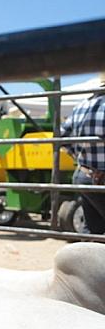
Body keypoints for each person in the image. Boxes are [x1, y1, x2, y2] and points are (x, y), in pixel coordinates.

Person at [60, 74, 105, 234]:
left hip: (83, 174)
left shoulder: (81, 106)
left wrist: (78, 155)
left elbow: (62, 137)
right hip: (102, 178)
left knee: (93, 227)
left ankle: (89, 257)